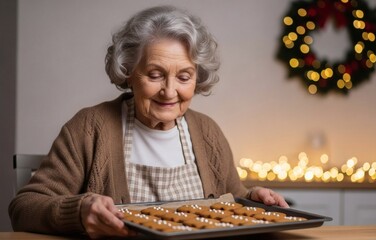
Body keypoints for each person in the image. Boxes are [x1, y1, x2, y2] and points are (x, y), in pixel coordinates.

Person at [9, 5, 288, 238]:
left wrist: (254, 198)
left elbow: (231, 199)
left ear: (197, 78)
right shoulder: (90, 128)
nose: (169, 91)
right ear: (129, 72)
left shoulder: (208, 133)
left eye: (184, 76)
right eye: (155, 75)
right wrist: (79, 211)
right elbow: (24, 207)